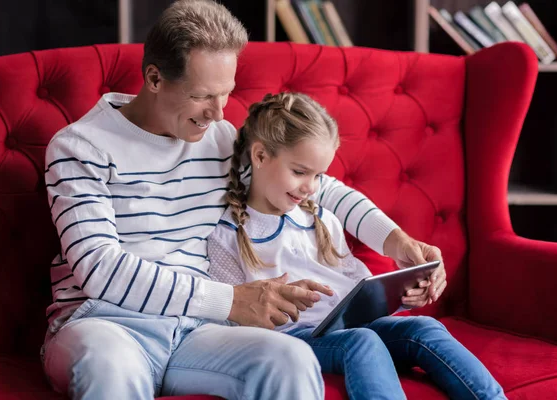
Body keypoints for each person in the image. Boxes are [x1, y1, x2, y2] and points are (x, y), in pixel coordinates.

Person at [41, 1, 446, 399]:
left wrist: (399, 245)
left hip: (194, 328)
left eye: (226, 94)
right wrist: (231, 301)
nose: (218, 113)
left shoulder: (216, 140)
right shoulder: (81, 147)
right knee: (110, 367)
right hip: (104, 323)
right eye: (202, 96)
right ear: (154, 78)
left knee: (289, 357)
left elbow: (322, 189)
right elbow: (100, 269)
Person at [208, 92, 506, 400]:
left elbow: (355, 287)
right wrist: (282, 300)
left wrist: (401, 295)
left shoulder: (321, 218)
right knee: (361, 340)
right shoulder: (227, 232)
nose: (310, 187)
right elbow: (234, 313)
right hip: (295, 337)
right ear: (259, 156)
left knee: (424, 328)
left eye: (318, 175)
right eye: (299, 172)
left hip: (352, 324)